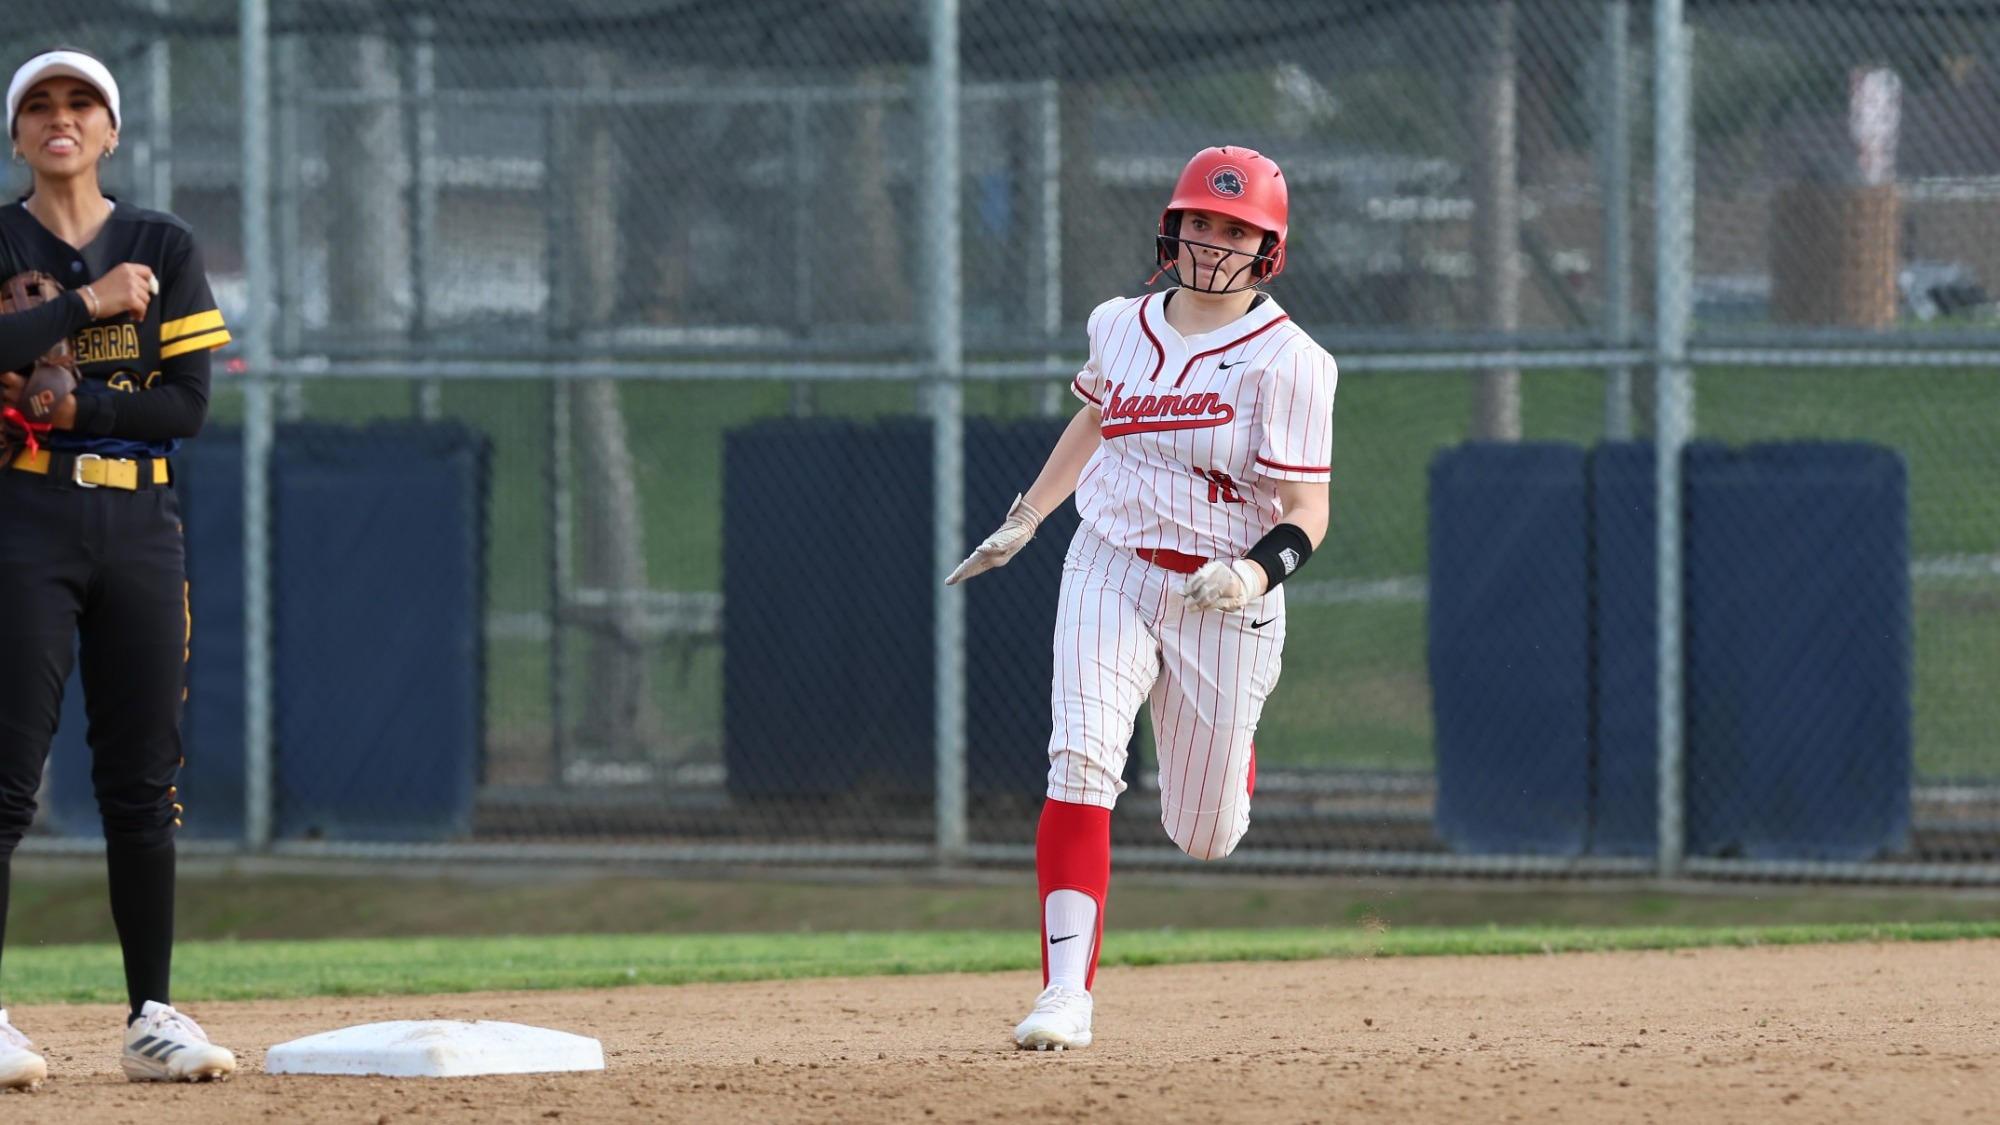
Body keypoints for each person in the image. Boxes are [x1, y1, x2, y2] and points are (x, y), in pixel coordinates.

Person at [946, 146, 1336, 1051]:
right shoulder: (1119, 323)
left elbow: (1309, 511)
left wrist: (1252, 572)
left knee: (1204, 833)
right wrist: (1029, 516)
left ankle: (1230, 757)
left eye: (1237, 228)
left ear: (1268, 247)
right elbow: (1098, 415)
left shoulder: (1292, 362)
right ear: (1172, 224)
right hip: (1110, 561)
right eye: (1201, 220)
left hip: (1222, 590)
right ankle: (1063, 992)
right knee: (1080, 759)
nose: (1213, 241)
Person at [0, 47, 237, 1089]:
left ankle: (152, 1015)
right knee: (5, 779)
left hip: (140, 525)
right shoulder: (8, 240)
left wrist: (84, 402)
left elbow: (184, 407)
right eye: (39, 104)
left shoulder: (164, 244)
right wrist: (89, 306)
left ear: (112, 131)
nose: (61, 117)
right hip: (23, 513)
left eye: (81, 102)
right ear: (17, 136)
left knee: (143, 780)